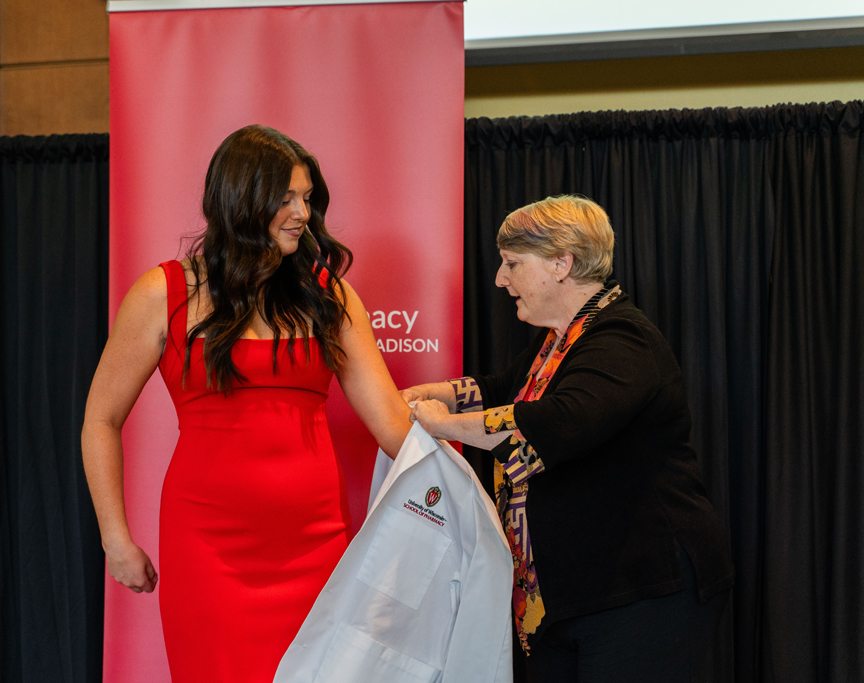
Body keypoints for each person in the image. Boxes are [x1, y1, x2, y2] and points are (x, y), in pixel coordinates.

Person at [81, 125, 411, 682]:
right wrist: (116, 540)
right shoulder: (162, 293)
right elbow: (100, 420)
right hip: (207, 550)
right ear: (239, 200)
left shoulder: (329, 294)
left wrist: (483, 444)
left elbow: (392, 426)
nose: (302, 214)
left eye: (307, 199)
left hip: (316, 546)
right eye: (284, 199)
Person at [403, 195, 734, 682]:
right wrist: (425, 395)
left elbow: (558, 420)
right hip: (570, 596)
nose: (499, 278)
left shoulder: (623, 337)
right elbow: (498, 391)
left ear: (562, 263)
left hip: (642, 591)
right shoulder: (561, 339)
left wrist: (441, 425)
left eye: (513, 263)